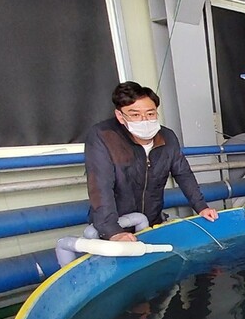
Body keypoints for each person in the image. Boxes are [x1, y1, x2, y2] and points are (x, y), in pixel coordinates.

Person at [85, 81, 218, 241]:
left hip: (151, 222)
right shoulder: (104, 136)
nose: (144, 120)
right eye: (135, 115)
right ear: (120, 116)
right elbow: (100, 186)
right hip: (114, 228)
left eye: (150, 113)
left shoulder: (167, 137)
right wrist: (113, 231)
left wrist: (201, 207)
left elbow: (183, 173)